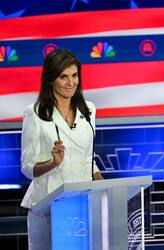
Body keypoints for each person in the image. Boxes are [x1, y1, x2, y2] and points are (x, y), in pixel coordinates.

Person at [20, 48, 104, 250]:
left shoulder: (89, 109)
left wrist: (102, 185)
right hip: (49, 205)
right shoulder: (35, 113)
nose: (71, 83)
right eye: (63, 77)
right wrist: (53, 163)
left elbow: (87, 157)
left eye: (74, 75)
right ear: (50, 80)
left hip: (82, 203)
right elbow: (27, 167)